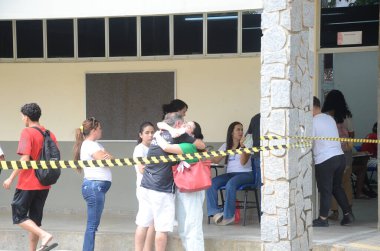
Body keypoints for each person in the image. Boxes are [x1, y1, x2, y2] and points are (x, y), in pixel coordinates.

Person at [135, 113, 205, 251]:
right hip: (162, 189)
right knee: (162, 229)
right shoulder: (181, 137)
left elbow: (161, 126)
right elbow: (201, 145)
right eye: (184, 123)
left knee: (143, 224)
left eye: (189, 125)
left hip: (146, 186)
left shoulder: (159, 133)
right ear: (178, 125)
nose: (185, 126)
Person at [2, 103, 58, 251]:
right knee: (34, 220)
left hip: (28, 183)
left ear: (26, 117)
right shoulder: (49, 133)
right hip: (44, 183)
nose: (22, 119)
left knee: (18, 216)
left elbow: (25, 159)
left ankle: (44, 235)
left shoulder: (27, 132)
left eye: (22, 116)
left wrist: (10, 178)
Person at [155, 121, 206, 251]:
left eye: (188, 126)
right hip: (184, 188)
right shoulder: (183, 143)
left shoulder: (189, 146)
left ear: (192, 134)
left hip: (192, 190)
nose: (183, 126)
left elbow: (166, 147)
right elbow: (161, 124)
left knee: (192, 227)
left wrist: (157, 136)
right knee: (184, 227)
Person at [312, 96, 354, 227]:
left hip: (325, 159)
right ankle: (348, 214)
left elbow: (308, 141)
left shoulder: (313, 122)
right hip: (339, 157)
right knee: (337, 187)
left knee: (325, 189)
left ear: (311, 107)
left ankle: (323, 219)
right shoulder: (329, 118)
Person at [73, 117, 114, 251]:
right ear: (94, 130)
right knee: (92, 225)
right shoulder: (91, 145)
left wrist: (108, 156)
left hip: (96, 188)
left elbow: (112, 159)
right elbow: (106, 160)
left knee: (93, 225)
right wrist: (107, 156)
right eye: (100, 128)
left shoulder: (97, 145)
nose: (101, 131)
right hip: (94, 187)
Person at [206, 121, 252, 226]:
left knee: (230, 184)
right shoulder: (226, 145)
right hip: (230, 174)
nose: (241, 132)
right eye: (238, 129)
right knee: (211, 183)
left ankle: (229, 216)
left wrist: (243, 147)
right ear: (232, 132)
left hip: (246, 174)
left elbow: (243, 162)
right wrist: (204, 154)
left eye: (241, 129)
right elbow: (216, 160)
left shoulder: (247, 144)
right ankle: (215, 213)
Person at [133, 122, 155, 251]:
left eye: (152, 132)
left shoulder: (154, 148)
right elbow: (142, 169)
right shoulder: (139, 149)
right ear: (141, 135)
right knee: (143, 222)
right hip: (144, 189)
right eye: (147, 133)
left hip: (155, 189)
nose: (150, 135)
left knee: (153, 223)